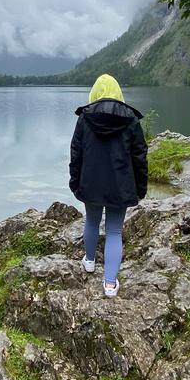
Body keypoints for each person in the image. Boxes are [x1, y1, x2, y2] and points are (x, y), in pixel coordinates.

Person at [68, 74, 148, 297]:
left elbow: (77, 153)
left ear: (95, 93)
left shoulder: (84, 118)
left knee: (92, 221)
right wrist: (140, 188)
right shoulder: (131, 118)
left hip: (90, 182)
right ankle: (110, 284)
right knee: (114, 231)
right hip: (121, 185)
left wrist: (75, 181)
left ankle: (90, 261)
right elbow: (140, 157)